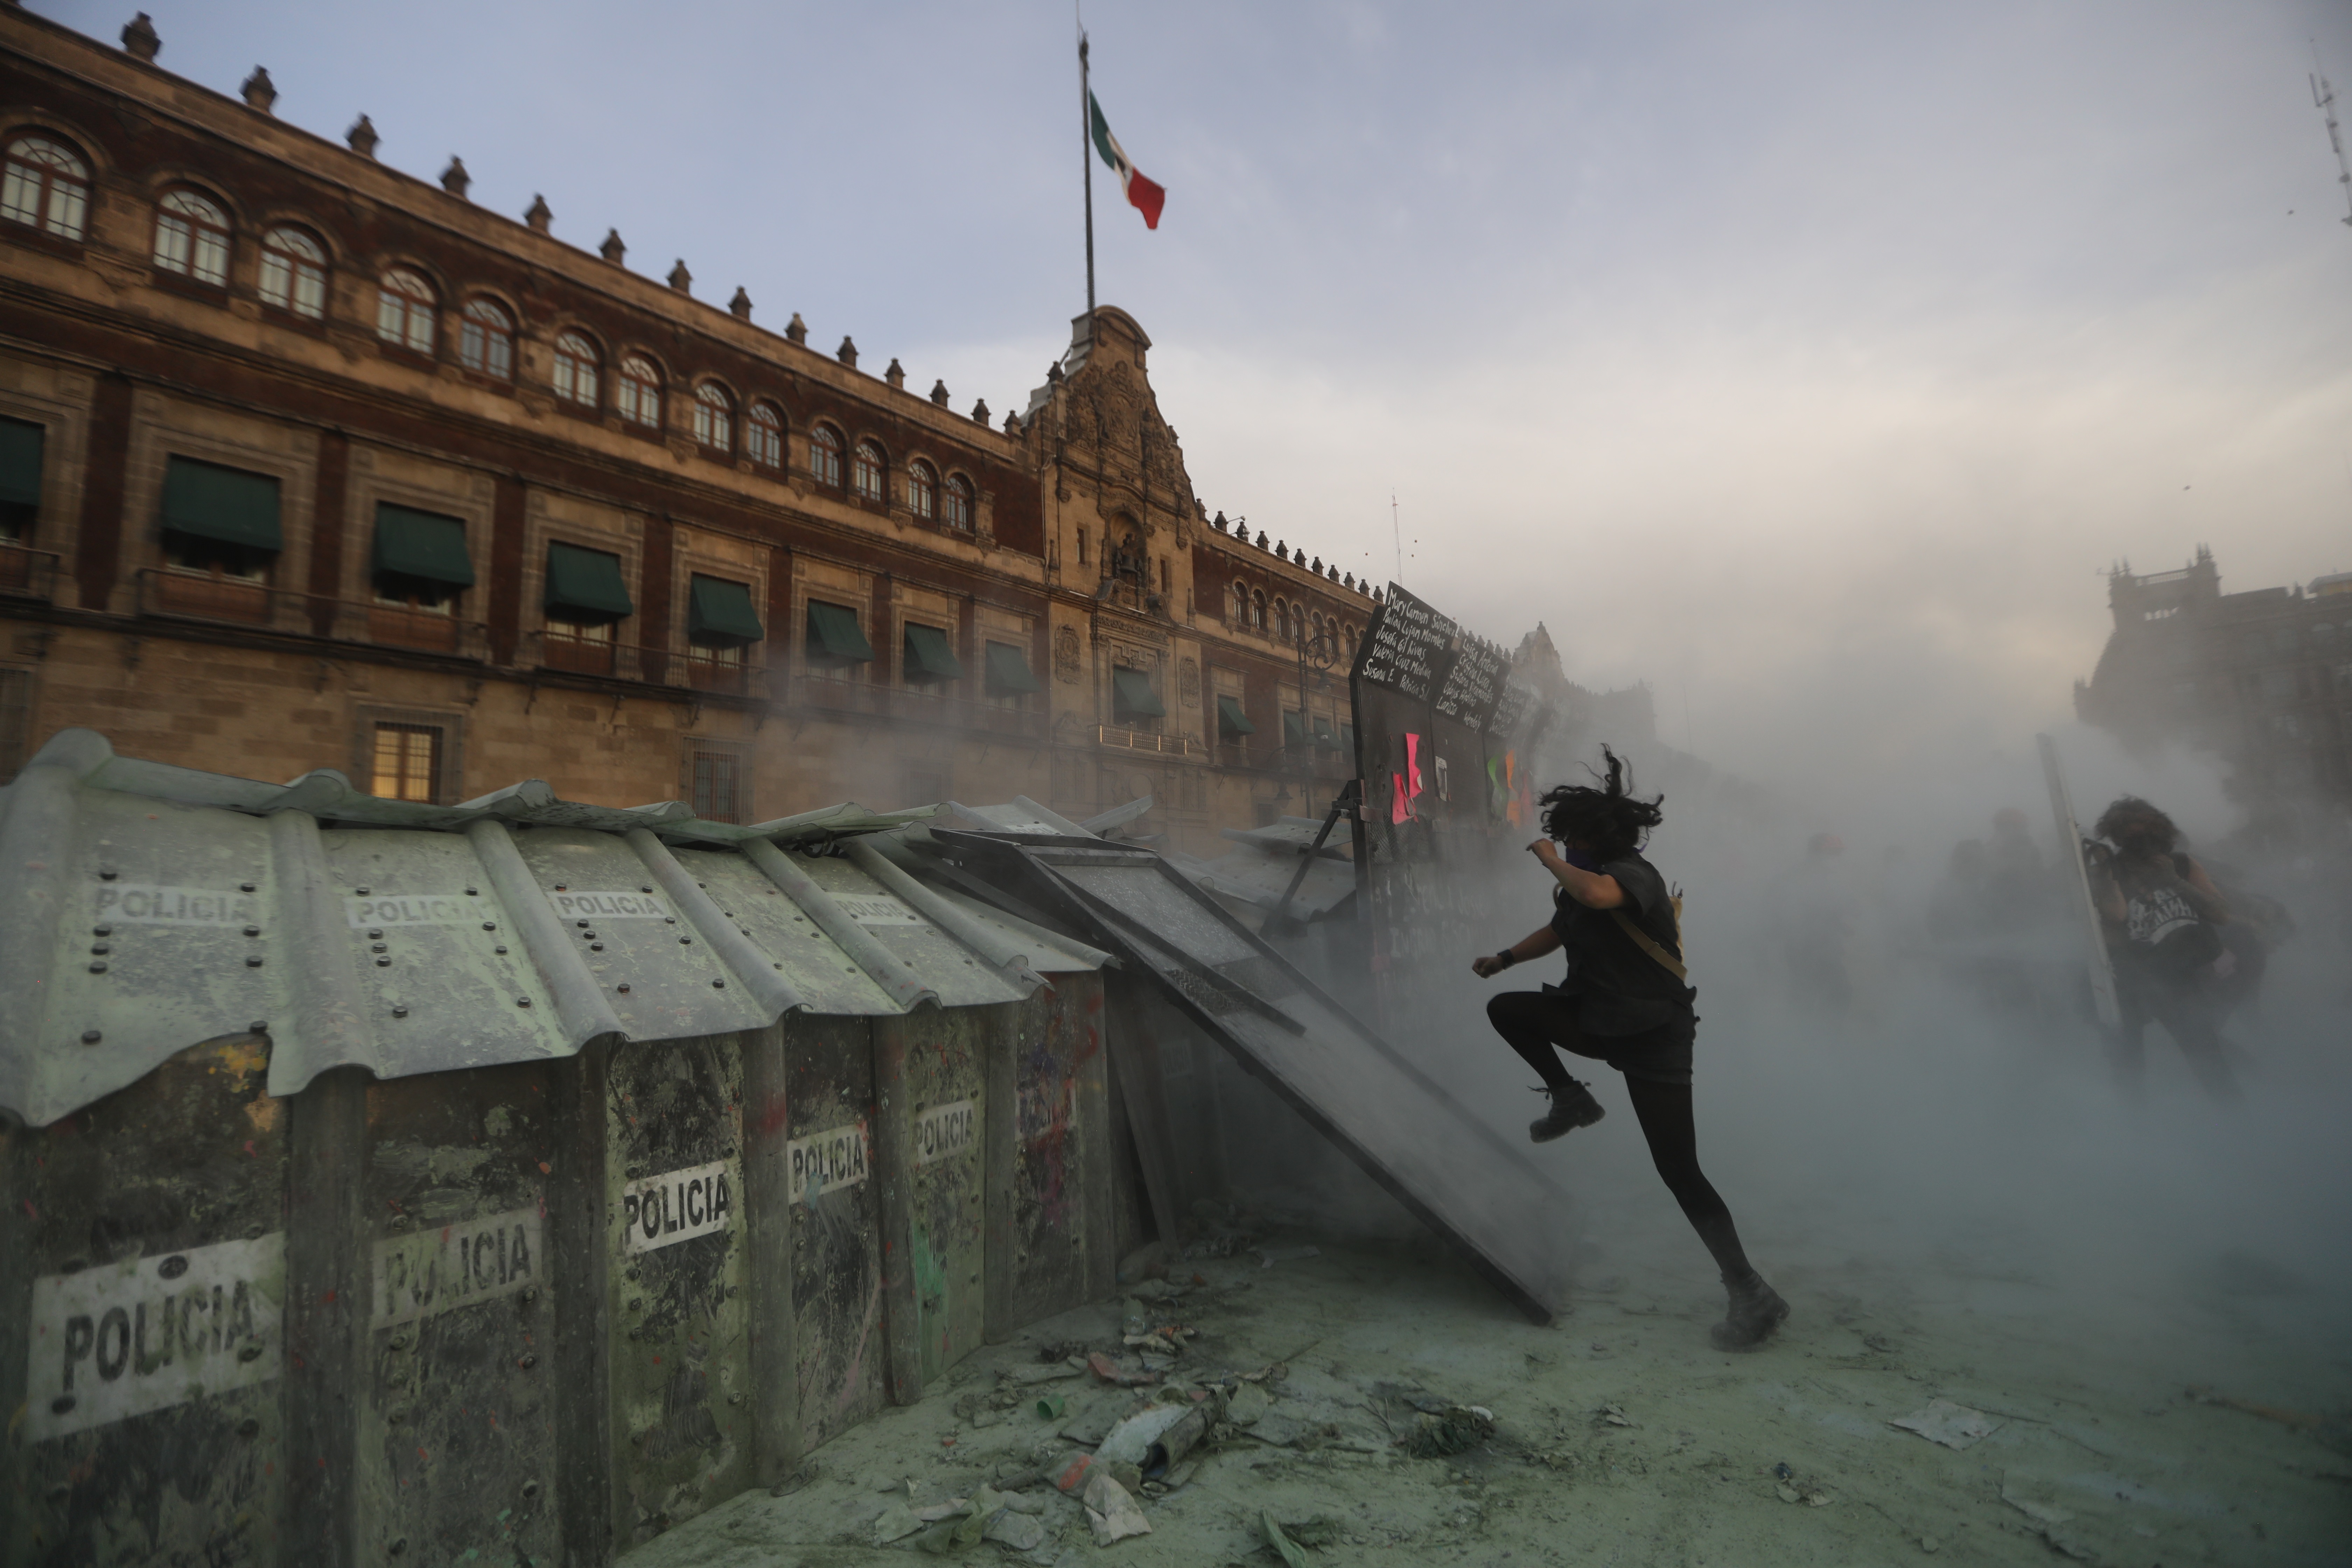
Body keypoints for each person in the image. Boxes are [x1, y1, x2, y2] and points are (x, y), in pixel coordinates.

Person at [1471, 748, 1788, 1351]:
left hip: (1652, 1035)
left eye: (1568, 840)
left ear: (1595, 837)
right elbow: (1564, 924)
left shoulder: (1631, 875)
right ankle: (1571, 1100)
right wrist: (1506, 957)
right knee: (1507, 1009)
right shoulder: (1584, 882)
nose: (1564, 848)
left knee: (1679, 1171)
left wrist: (1545, 859)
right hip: (1599, 1019)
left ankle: (1750, 1291)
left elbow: (1594, 898)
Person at [2086, 796, 2237, 1099]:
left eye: (2147, 831)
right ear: (2118, 836)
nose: (2142, 840)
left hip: (2177, 979)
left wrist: (2175, 882)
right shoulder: (2112, 869)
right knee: (2130, 1071)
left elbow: (2221, 914)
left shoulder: (2182, 864)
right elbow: (2116, 915)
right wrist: (2104, 872)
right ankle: (2139, 1131)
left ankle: (2236, 1121)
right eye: (2131, 833)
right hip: (2129, 981)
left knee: (2210, 1062)